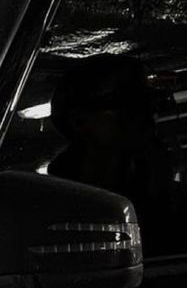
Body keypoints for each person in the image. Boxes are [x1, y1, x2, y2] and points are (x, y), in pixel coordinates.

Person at [48, 54, 178, 256]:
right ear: (80, 120)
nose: (145, 113)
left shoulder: (165, 195)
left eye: (148, 101)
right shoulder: (53, 206)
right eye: (126, 102)